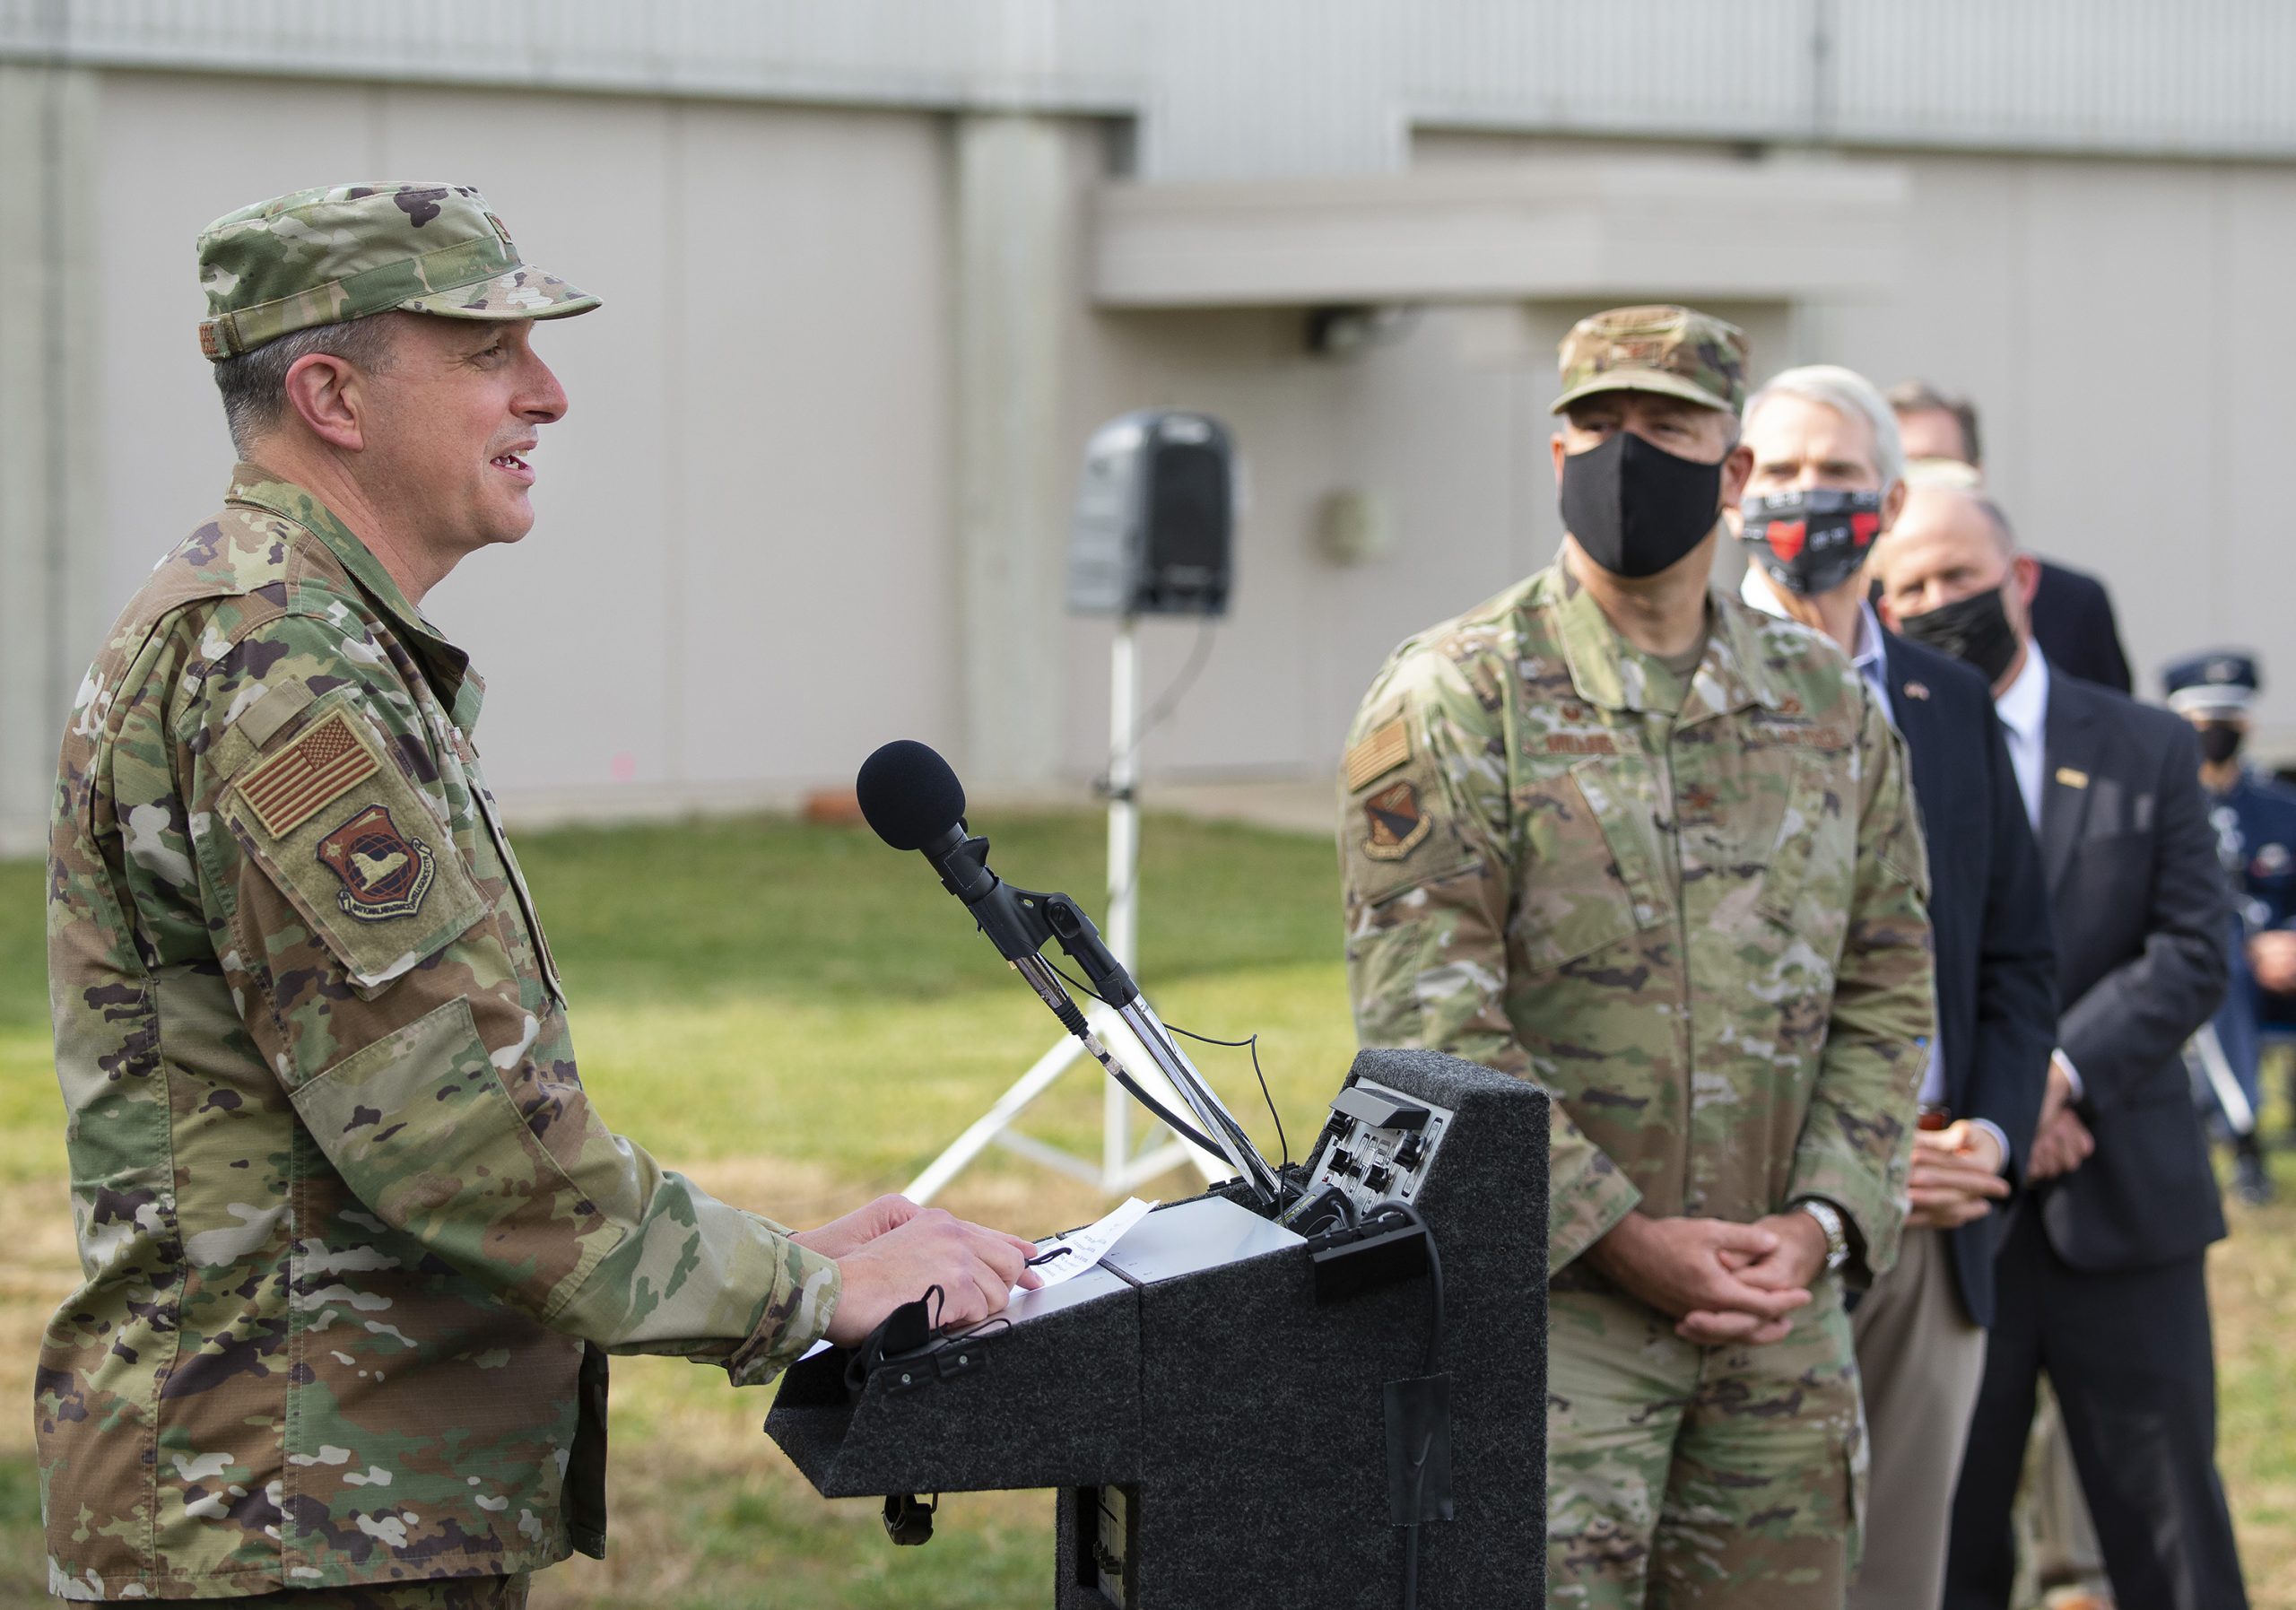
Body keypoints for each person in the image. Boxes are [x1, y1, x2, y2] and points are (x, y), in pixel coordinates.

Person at [37, 182, 1039, 1607]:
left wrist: (778, 1254)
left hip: (320, 1497)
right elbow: (451, 1137)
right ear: (331, 392)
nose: (548, 394)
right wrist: (805, 1294)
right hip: (279, 1517)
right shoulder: (276, 667)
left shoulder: (312, 638)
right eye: (486, 352)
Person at [1339, 305, 1935, 1607]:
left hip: (1781, 1325)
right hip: (1560, 1326)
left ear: (1733, 476)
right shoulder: (1457, 691)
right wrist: (1617, 1232)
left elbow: (1890, 986)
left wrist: (1824, 1219)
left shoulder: (1830, 707)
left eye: (1665, 428)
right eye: (1596, 427)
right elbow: (1427, 1019)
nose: (1626, 455)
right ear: (1556, 457)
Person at [1871, 483, 2247, 1610]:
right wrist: (1986, 1105)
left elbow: (2193, 946)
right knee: (1943, 1542)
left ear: (2020, 579)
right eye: (1910, 587)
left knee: (2170, 1528)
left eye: (1961, 578)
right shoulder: (1870, 748)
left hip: (2121, 1201)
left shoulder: (2140, 745)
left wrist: (2046, 1077)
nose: (1939, 603)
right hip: (1945, 1222)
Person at [1735, 365, 2057, 1610]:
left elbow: (2020, 957)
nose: (1813, 499)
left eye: (1840, 475)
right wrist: (1850, 1164)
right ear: (1735, 493)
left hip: (1937, 1230)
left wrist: (1995, 1128)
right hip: (1763, 1221)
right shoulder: (1680, 692)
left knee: (1900, 1577)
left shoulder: (1947, 700)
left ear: (1889, 495)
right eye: (1786, 472)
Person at [1885, 380, 2131, 693]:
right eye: (1901, 469)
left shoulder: (2071, 604)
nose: (1918, 485)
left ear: (1975, 473)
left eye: (1935, 466)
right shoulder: (1851, 614)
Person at [2162, 649, 2296, 1205]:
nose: (2216, 732)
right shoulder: (2161, 807)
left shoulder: (2280, 806)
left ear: (2248, 724)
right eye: (2203, 720)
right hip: (2214, 969)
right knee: (2220, 963)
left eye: (2227, 720)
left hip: (2285, 960)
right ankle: (2242, 1138)